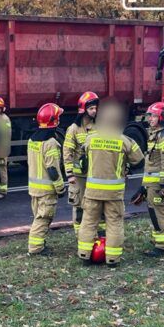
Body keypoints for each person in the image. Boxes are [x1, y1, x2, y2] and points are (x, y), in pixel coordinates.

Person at [77, 100, 143, 267]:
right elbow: (139, 161)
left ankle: (84, 255)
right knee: (114, 223)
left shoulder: (90, 139)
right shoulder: (125, 140)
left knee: (88, 222)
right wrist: (126, 168)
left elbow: (83, 160)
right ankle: (112, 259)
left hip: (92, 192)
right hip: (114, 193)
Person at [132, 101, 164, 256]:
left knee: (159, 212)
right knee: (153, 211)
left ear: (162, 117)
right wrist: (144, 186)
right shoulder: (156, 134)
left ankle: (163, 246)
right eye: (150, 116)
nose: (150, 119)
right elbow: (151, 164)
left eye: (153, 116)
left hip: (159, 185)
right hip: (153, 184)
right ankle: (159, 241)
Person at [27, 103, 66, 254]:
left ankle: (39, 243)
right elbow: (53, 169)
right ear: (54, 121)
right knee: (43, 218)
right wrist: (60, 188)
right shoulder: (51, 143)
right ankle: (36, 248)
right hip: (47, 190)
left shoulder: (32, 140)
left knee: (38, 216)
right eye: (58, 118)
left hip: (34, 189)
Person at [64, 91, 100, 237]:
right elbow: (67, 152)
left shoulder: (99, 126)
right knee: (78, 205)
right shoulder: (74, 128)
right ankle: (80, 235)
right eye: (91, 108)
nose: (94, 111)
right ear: (83, 109)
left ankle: (97, 234)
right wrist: (69, 174)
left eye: (96, 108)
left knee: (96, 205)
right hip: (78, 176)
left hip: (95, 175)